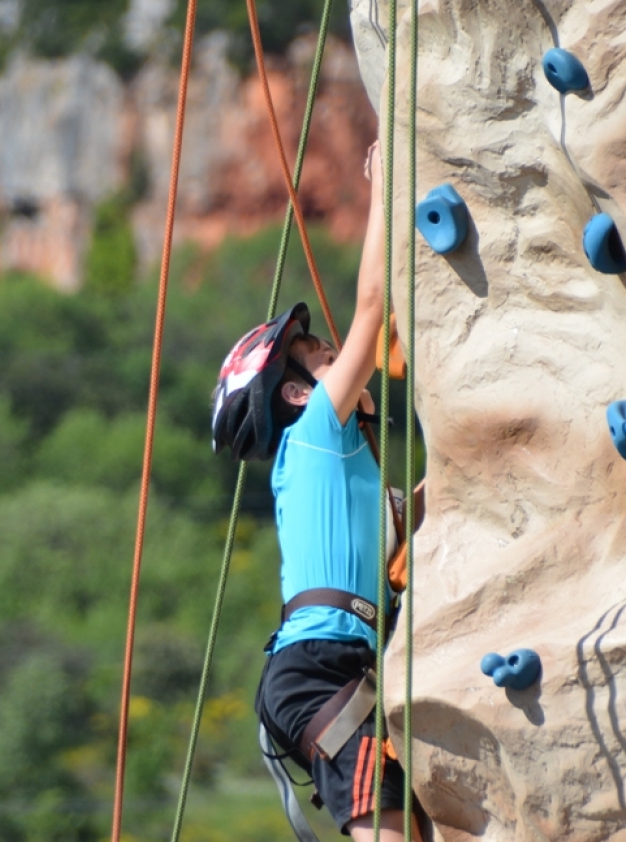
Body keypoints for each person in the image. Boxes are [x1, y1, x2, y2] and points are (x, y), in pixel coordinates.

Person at [211, 141, 425, 842]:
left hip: (340, 666)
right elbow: (372, 308)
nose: (336, 352)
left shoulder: (353, 472)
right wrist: (386, 187)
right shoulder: (313, 436)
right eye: (321, 358)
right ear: (300, 392)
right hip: (319, 670)